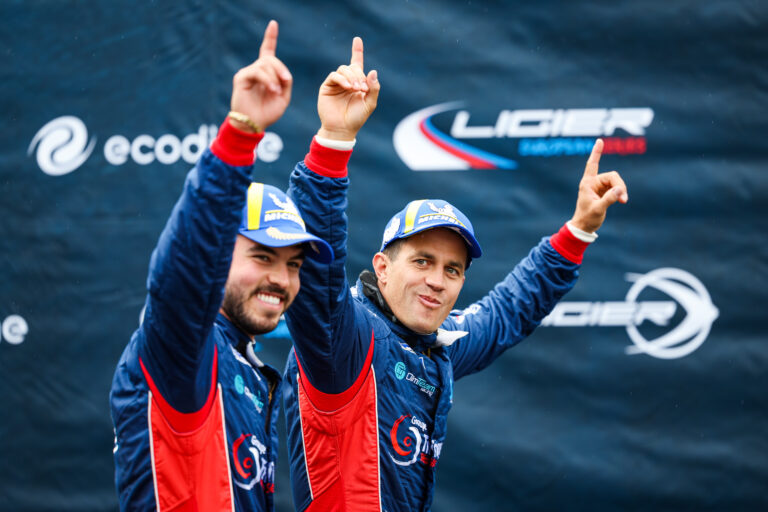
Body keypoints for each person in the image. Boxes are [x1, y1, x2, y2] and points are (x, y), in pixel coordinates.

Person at [279, 38, 628, 511]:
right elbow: (316, 266)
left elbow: (508, 310)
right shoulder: (344, 341)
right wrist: (333, 142)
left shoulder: (436, 345)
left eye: (453, 269)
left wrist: (580, 229)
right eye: (421, 261)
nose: (437, 281)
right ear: (382, 268)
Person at [109, 21, 332, 511]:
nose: (282, 278)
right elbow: (185, 271)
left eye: (293, 264)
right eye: (262, 256)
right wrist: (240, 135)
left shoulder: (247, 365)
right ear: (217, 256)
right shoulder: (183, 350)